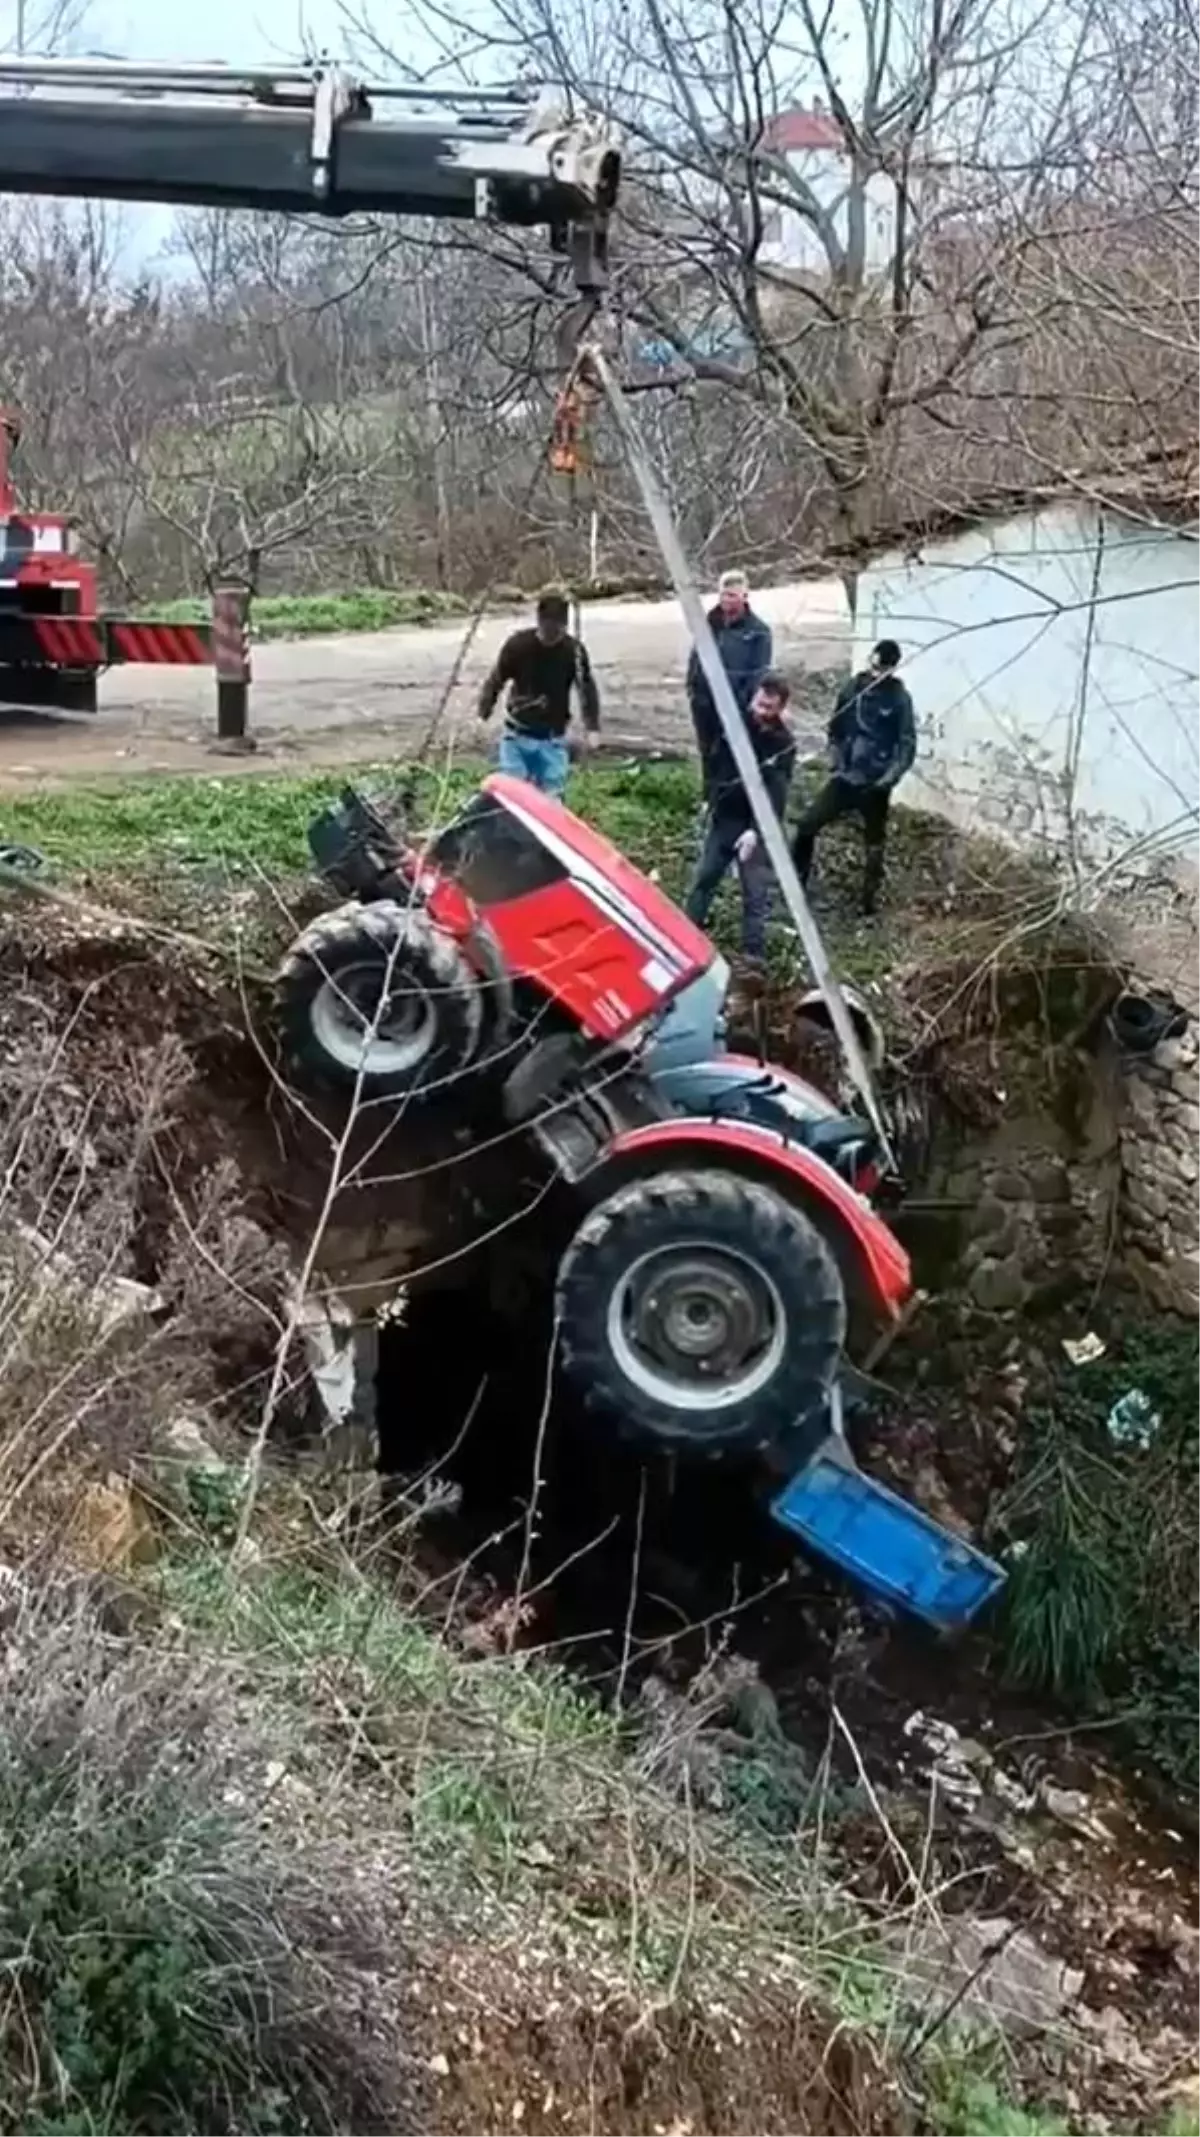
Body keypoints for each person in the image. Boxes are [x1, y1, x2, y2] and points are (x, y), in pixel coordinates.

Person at [791, 638, 916, 916]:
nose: (877, 674)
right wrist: (836, 763)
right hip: (846, 777)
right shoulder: (853, 688)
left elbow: (907, 746)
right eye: (875, 667)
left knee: (874, 844)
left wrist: (887, 780)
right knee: (806, 826)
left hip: (876, 782)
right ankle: (795, 887)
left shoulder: (899, 699)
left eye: (883, 670)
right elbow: (835, 729)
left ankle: (867, 904)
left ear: (893, 669)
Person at [685, 671, 795, 962]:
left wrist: (755, 832)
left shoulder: (782, 744)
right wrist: (709, 799)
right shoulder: (734, 726)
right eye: (759, 704)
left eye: (769, 709)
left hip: (755, 826)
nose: (761, 712)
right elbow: (715, 764)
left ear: (781, 709)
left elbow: (776, 796)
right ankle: (684, 937)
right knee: (705, 878)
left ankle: (752, 957)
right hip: (725, 818)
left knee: (755, 894)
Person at [477, 589, 600, 796]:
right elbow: (496, 680)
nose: (552, 637)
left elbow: (586, 688)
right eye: (548, 631)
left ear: (565, 626)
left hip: (553, 737)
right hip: (517, 733)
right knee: (515, 793)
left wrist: (593, 727)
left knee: (552, 794)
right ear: (539, 623)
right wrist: (483, 713)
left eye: (558, 632)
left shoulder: (573, 651)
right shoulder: (518, 646)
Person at [686, 569, 773, 802]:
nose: (727, 601)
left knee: (731, 755)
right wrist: (693, 689)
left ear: (745, 596)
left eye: (733, 596)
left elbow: (759, 673)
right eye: (724, 595)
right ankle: (708, 801)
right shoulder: (710, 624)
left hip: (735, 705)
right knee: (707, 752)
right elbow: (696, 656)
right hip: (704, 702)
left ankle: (731, 802)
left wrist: (743, 704)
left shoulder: (758, 632)